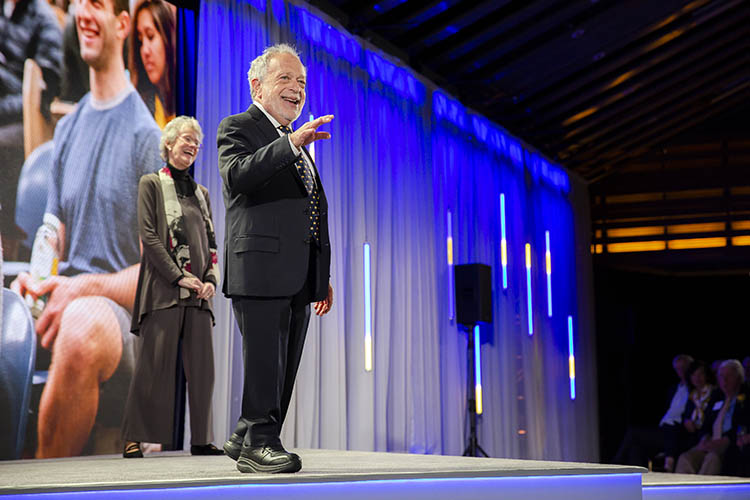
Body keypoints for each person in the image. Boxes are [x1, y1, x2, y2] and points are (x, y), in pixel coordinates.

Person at [11, 0, 161, 458]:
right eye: (78, 5)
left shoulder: (147, 137)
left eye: (95, 4)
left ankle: (36, 484)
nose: (82, 14)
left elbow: (155, 282)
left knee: (78, 324)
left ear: (121, 24)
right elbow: (51, 234)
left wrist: (77, 290)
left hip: (117, 322)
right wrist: (35, 284)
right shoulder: (69, 129)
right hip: (64, 299)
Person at [217, 43, 334, 474]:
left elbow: (309, 208)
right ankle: (259, 443)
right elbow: (238, 175)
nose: (296, 89)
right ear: (257, 86)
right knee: (267, 361)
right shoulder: (239, 127)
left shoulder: (292, 139)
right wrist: (293, 144)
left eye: (301, 81)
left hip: (297, 274)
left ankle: (249, 432)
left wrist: (320, 273)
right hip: (259, 267)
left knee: (284, 365)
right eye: (285, 78)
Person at [121, 116, 223, 458]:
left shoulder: (202, 193)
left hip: (198, 298)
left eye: (197, 142)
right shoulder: (150, 183)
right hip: (163, 292)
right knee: (152, 367)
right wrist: (179, 276)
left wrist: (210, 280)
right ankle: (136, 437)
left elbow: (211, 244)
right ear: (169, 144)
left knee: (204, 372)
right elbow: (149, 236)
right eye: (187, 140)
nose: (192, 146)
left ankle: (201, 439)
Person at [1, 0, 63, 258]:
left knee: (3, 144)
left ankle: (13, 239)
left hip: (25, 119)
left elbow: (44, 94)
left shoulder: (44, 20)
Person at [612, 354, 693, 467]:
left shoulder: (693, 390)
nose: (681, 372)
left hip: (676, 431)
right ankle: (638, 478)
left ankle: (615, 464)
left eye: (684, 368)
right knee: (635, 446)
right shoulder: (674, 389)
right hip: (664, 429)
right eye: (678, 369)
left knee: (633, 433)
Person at [676, 359, 748, 475]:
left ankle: (702, 492)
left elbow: (744, 426)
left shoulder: (745, 398)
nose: (724, 381)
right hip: (711, 441)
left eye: (729, 376)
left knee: (712, 458)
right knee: (685, 458)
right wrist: (704, 437)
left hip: (730, 443)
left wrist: (727, 439)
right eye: (721, 376)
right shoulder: (717, 396)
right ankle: (683, 492)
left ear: (739, 378)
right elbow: (707, 423)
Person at [662, 360, 720, 472]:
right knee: (672, 429)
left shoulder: (715, 393)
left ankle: (670, 463)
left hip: (706, 434)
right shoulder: (692, 395)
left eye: (700, 374)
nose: (697, 378)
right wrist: (687, 421)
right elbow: (686, 414)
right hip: (692, 433)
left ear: (706, 375)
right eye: (694, 375)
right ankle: (669, 463)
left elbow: (713, 418)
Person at [128, 0, 174, 129]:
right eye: (140, 41)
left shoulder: (191, 100)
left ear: (168, 38)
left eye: (150, 36)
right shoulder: (141, 109)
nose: (145, 50)